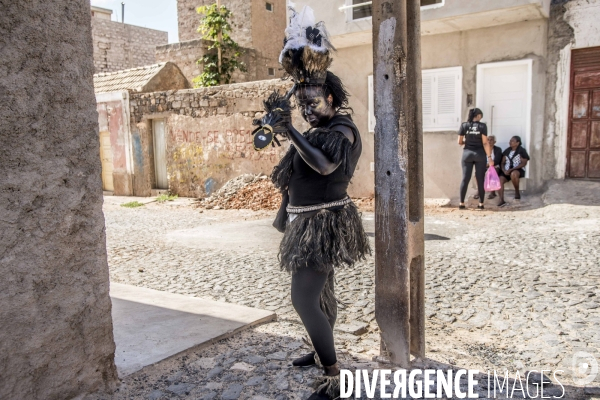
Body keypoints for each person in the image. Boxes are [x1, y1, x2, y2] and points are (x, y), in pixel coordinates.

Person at [269, 7, 371, 399]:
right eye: (302, 106)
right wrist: (284, 215)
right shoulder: (319, 129)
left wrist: (291, 129)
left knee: (303, 297)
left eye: (313, 103)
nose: (308, 110)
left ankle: (333, 373)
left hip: (323, 222)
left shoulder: (341, 129)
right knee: (322, 292)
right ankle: (318, 351)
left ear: (330, 96)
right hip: (304, 221)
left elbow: (326, 167)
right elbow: (295, 173)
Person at [458, 108, 494, 210]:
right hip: (480, 154)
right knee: (480, 179)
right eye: (481, 116)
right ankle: (481, 204)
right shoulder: (482, 126)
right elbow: (485, 142)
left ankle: (461, 203)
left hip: (467, 154)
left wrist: (467, 143)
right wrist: (490, 157)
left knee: (465, 179)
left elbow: (459, 142)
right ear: (478, 116)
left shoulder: (464, 125)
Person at [497, 135, 530, 207]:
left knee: (513, 174)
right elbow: (502, 162)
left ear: (517, 143)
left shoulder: (521, 151)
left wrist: (512, 169)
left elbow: (524, 163)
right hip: (506, 170)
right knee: (499, 180)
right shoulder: (507, 150)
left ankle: (517, 192)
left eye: (512, 141)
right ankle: (501, 200)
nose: (510, 142)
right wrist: (504, 170)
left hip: (517, 170)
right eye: (510, 141)